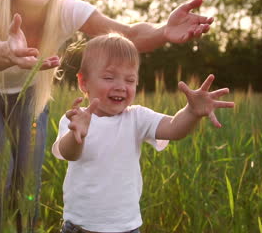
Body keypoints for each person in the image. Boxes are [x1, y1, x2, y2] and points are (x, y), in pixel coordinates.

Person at [0, 0, 214, 231]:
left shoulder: (66, 8)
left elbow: (128, 35)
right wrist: (6, 50)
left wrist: (163, 30)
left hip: (30, 89)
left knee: (28, 179)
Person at [52, 34, 235, 233]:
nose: (121, 86)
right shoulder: (75, 119)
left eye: (130, 80)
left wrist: (191, 112)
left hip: (126, 227)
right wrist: (78, 135)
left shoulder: (137, 118)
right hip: (79, 227)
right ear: (84, 82)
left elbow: (174, 128)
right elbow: (69, 153)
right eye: (108, 77)